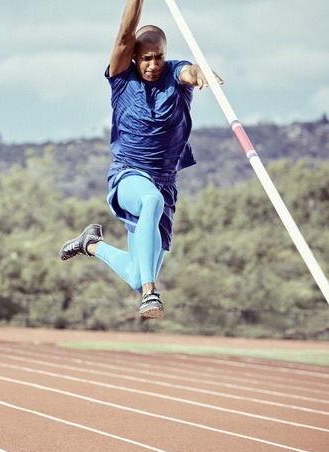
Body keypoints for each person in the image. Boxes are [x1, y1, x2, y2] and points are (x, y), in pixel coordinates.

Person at [58, 0, 222, 318]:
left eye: (158, 56)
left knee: (136, 272)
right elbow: (124, 34)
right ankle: (150, 293)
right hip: (129, 176)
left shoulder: (175, 72)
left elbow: (191, 72)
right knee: (149, 202)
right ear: (134, 57)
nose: (152, 64)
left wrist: (203, 73)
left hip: (166, 183)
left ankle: (91, 244)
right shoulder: (122, 78)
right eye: (145, 57)